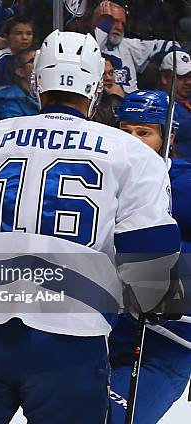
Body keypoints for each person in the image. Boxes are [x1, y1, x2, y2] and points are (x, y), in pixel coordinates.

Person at [0, 30, 180, 424]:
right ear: (96, 87)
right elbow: (148, 254)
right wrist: (146, 305)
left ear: (36, 82)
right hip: (70, 338)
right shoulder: (132, 153)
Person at [108, 90, 191, 424]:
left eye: (144, 132)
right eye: (125, 131)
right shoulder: (99, 179)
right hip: (98, 337)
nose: (132, 141)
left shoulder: (184, 183)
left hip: (163, 346)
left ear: (167, 136)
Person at [92, 0, 177, 93]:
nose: (119, 28)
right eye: (114, 21)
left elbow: (173, 46)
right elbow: (96, 42)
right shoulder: (87, 46)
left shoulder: (130, 46)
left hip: (133, 104)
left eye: (123, 24)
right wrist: (102, 23)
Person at [157, 51, 191, 160]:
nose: (189, 82)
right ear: (164, 78)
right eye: (181, 77)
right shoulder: (158, 105)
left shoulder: (187, 99)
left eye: (190, 76)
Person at [0, 47, 39, 120]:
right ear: (21, 72)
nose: (39, 63)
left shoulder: (48, 95)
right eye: (33, 61)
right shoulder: (7, 102)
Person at [0, 16, 35, 89]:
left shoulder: (36, 55)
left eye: (29, 33)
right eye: (18, 33)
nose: (25, 37)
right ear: (7, 36)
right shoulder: (1, 56)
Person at [93, 54, 125, 127]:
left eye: (111, 73)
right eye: (103, 74)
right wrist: (115, 99)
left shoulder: (122, 95)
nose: (108, 78)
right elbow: (106, 125)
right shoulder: (85, 101)